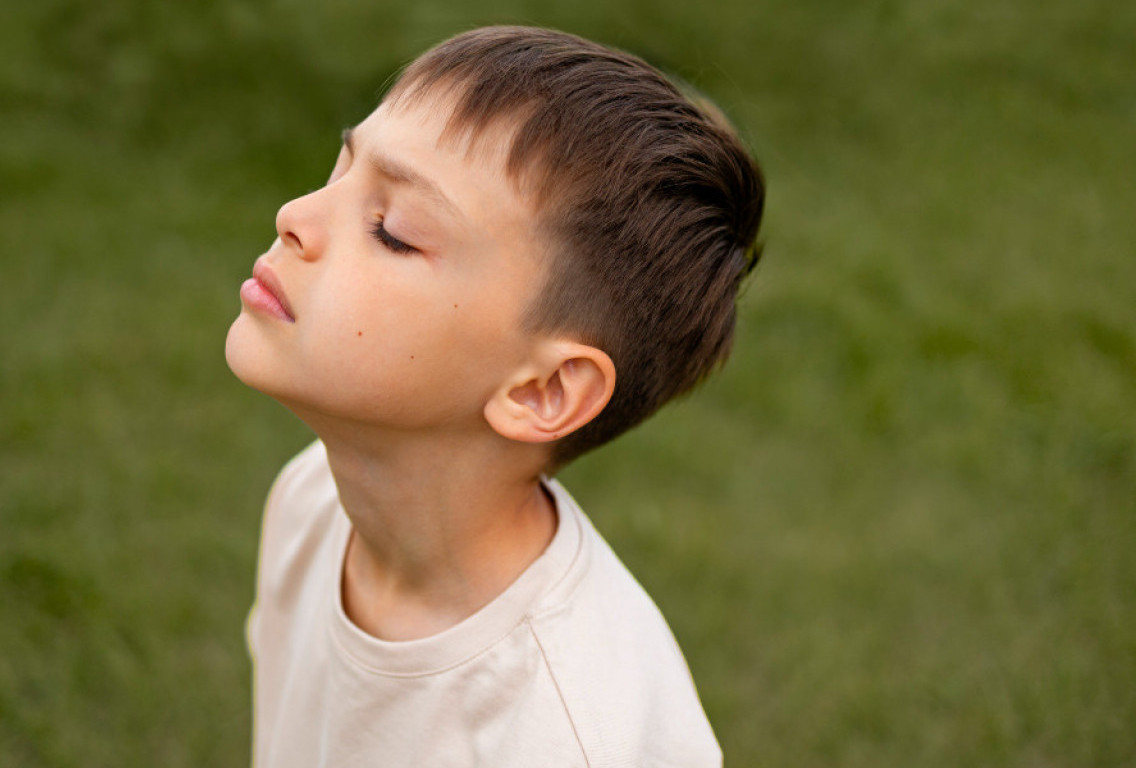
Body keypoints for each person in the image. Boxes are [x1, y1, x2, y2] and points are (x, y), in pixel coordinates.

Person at [225, 25, 764, 768]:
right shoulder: (312, 499)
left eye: (391, 230)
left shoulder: (566, 740)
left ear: (543, 389)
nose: (295, 215)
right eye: (340, 168)